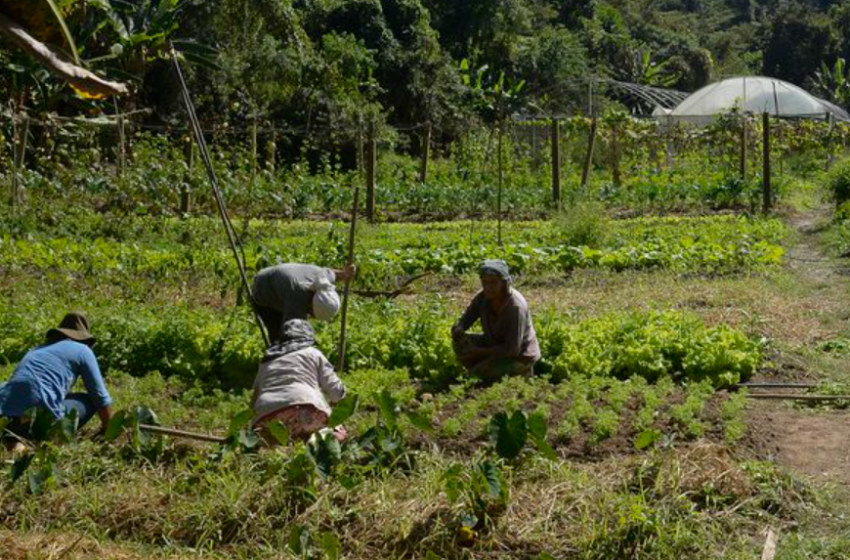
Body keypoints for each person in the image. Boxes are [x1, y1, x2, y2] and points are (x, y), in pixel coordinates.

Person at [0, 312, 113, 446]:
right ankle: (42, 438)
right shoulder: (82, 350)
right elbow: (100, 396)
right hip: (38, 426)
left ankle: (12, 439)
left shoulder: (36, 350)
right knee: (88, 400)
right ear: (84, 339)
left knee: (6, 385)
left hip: (6, 422)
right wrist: (110, 430)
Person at [251, 319, 347, 442]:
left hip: (266, 416)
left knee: (274, 438)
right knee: (338, 433)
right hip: (305, 406)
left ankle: (278, 441)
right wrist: (340, 401)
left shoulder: (266, 361)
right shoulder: (312, 353)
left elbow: (254, 399)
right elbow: (335, 392)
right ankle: (314, 442)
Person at [451, 259, 541, 382]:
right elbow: (468, 317)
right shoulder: (483, 297)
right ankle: (485, 367)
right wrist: (459, 327)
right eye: (485, 282)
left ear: (504, 283)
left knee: (475, 377)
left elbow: (513, 349)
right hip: (494, 344)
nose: (488, 287)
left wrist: (479, 353)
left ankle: (521, 372)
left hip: (519, 356)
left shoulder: (515, 307)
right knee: (460, 341)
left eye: (493, 283)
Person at [251, 262, 356, 343]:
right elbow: (291, 334)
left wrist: (344, 274)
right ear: (310, 304)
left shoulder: (323, 282)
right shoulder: (296, 297)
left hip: (281, 281)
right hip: (263, 289)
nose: (312, 317)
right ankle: (278, 364)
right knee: (278, 336)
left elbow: (332, 274)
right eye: (312, 314)